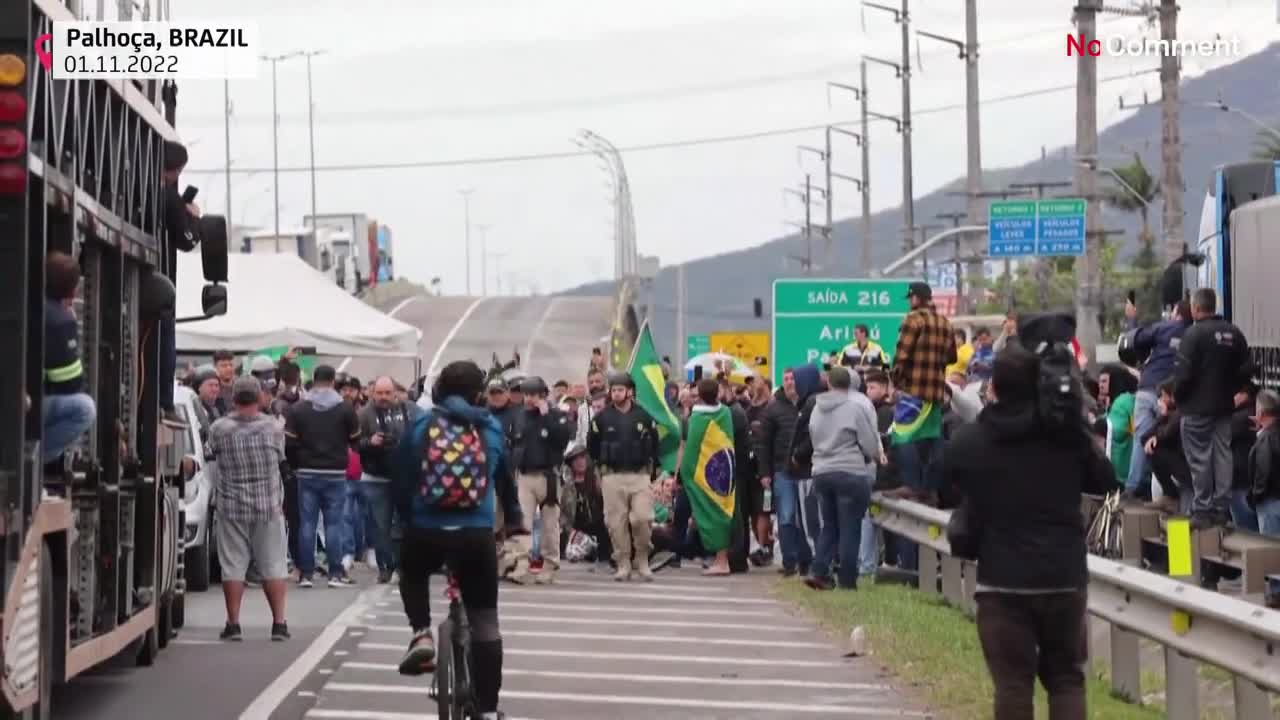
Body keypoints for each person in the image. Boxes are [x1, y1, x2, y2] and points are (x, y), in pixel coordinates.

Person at [948, 343, 1112, 719]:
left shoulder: (975, 441)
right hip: (1063, 577)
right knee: (1067, 679)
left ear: (994, 388)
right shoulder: (1065, 438)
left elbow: (948, 475)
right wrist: (1074, 422)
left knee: (1012, 684)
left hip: (1002, 581)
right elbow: (1105, 479)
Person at [392, 360, 521, 720]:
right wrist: (514, 520)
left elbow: (400, 479)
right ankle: (490, 709)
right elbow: (505, 483)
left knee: (413, 572)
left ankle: (421, 634)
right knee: (485, 624)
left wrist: (406, 520)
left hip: (426, 530)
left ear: (437, 392)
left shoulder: (420, 426)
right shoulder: (490, 429)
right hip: (476, 536)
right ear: (479, 395)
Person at [207, 376, 290, 642]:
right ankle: (278, 623)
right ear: (259, 398)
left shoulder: (219, 428)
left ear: (234, 399)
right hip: (268, 505)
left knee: (232, 565)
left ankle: (233, 623)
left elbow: (212, 452)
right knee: (273, 564)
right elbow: (280, 457)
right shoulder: (274, 428)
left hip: (231, 506)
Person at [1174, 288, 1251, 529]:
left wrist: (1180, 398)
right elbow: (1248, 368)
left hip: (1196, 409)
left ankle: (1202, 508)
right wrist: (1231, 388)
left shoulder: (1193, 335)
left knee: (1199, 458)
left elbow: (1182, 376)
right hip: (1224, 407)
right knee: (1222, 454)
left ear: (1196, 309)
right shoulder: (1233, 333)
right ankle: (1220, 507)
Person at [801, 367, 879, 591]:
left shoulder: (817, 408)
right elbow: (869, 444)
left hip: (822, 471)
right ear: (851, 386)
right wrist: (870, 456)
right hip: (849, 472)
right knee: (850, 528)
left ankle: (819, 571)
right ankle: (847, 579)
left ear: (828, 384)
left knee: (830, 526)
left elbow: (813, 437)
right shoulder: (854, 408)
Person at [285, 365, 360, 587]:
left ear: (314, 380)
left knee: (306, 523)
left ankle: (306, 573)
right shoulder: (345, 408)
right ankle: (336, 573)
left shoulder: (298, 408)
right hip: (336, 473)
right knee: (333, 524)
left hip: (306, 472)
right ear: (333, 381)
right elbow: (355, 441)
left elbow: (289, 444)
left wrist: (296, 465)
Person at [887, 282, 957, 519]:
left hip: (913, 389)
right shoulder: (944, 323)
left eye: (911, 298)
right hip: (935, 391)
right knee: (932, 438)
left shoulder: (912, 320)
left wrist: (896, 381)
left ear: (917, 298)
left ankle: (911, 485)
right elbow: (951, 356)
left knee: (903, 435)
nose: (909, 302)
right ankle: (929, 488)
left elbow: (902, 355)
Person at [587, 372, 660, 582]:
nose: (616, 393)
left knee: (643, 518)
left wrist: (653, 472)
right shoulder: (602, 418)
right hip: (612, 476)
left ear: (630, 392)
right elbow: (592, 445)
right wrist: (601, 468)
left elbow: (655, 444)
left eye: (620, 389)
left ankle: (643, 559)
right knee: (615, 523)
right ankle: (623, 562)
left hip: (639, 476)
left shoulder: (644, 416)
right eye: (614, 390)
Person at [1122, 299, 1192, 500]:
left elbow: (1135, 340)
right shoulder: (1193, 335)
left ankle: (1133, 489)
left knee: (1141, 440)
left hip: (1149, 389)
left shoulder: (1164, 328)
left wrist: (1132, 320)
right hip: (1183, 491)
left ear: (1177, 313)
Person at [508, 377, 573, 584]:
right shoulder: (519, 416)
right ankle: (521, 564)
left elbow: (562, 439)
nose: (529, 399)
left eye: (533, 395)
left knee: (549, 523)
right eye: (526, 395)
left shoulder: (556, 416)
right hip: (525, 475)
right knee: (523, 522)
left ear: (543, 396)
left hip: (548, 476)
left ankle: (550, 564)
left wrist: (546, 416)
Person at [758, 366, 818, 577]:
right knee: (786, 516)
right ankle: (789, 560)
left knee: (804, 518)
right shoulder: (773, 409)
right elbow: (763, 444)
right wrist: (764, 472)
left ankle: (806, 560)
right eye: (786, 379)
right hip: (782, 471)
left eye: (793, 379)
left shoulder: (809, 405)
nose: (790, 382)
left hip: (806, 470)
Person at [159, 140, 201, 427]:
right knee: (165, 338)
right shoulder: (171, 199)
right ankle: (164, 402)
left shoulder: (135, 184)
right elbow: (186, 242)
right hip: (158, 284)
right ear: (176, 170)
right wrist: (193, 219)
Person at [42, 252, 97, 464]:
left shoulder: (22, 298)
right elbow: (69, 383)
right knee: (85, 408)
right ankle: (32, 457)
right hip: (25, 404)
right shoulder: (60, 320)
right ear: (72, 291)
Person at [356, 376, 410, 584]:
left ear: (395, 392)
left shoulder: (408, 410)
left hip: (402, 477)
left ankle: (402, 565)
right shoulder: (363, 414)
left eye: (387, 393)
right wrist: (370, 442)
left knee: (403, 525)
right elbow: (353, 444)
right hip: (375, 478)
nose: (383, 397)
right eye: (379, 393)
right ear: (372, 393)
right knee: (381, 526)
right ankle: (385, 566)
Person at [1099, 364, 1139, 488]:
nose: (1100, 385)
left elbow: (1116, 430)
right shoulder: (1125, 398)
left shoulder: (1121, 402)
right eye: (1100, 381)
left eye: (1104, 381)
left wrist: (1096, 423)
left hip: (1121, 473)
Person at [1249, 390, 1280, 535]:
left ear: (1261, 412)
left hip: (1269, 502)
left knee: (1270, 551)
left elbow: (1263, 469)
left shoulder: (1266, 439)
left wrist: (1256, 497)